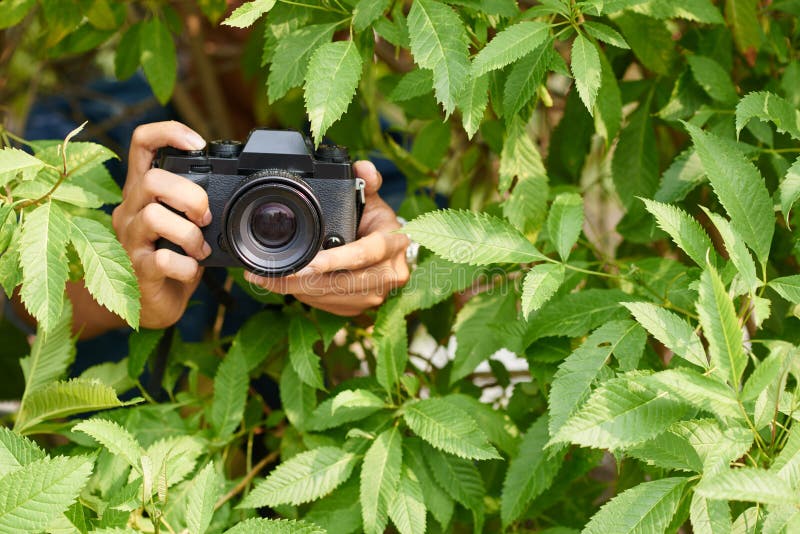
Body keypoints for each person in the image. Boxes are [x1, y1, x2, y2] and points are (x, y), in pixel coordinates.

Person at [15, 120, 410, 339]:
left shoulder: (386, 146)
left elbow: (464, 273)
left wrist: (392, 261)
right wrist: (117, 287)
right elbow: (20, 299)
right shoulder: (86, 125)